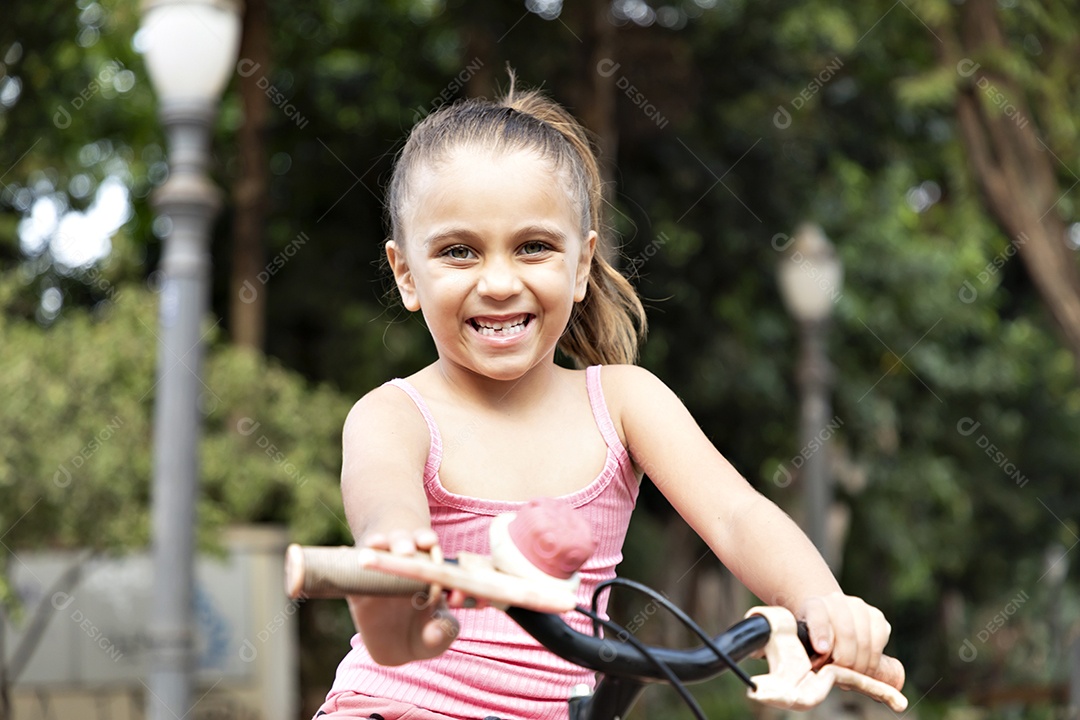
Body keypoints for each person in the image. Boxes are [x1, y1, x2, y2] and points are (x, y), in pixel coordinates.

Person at [314, 76, 902, 720]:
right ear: (407, 274)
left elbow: (736, 514)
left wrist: (825, 602)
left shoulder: (623, 402)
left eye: (533, 247)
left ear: (581, 264)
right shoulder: (393, 415)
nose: (501, 282)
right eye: (459, 252)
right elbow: (383, 508)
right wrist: (398, 558)